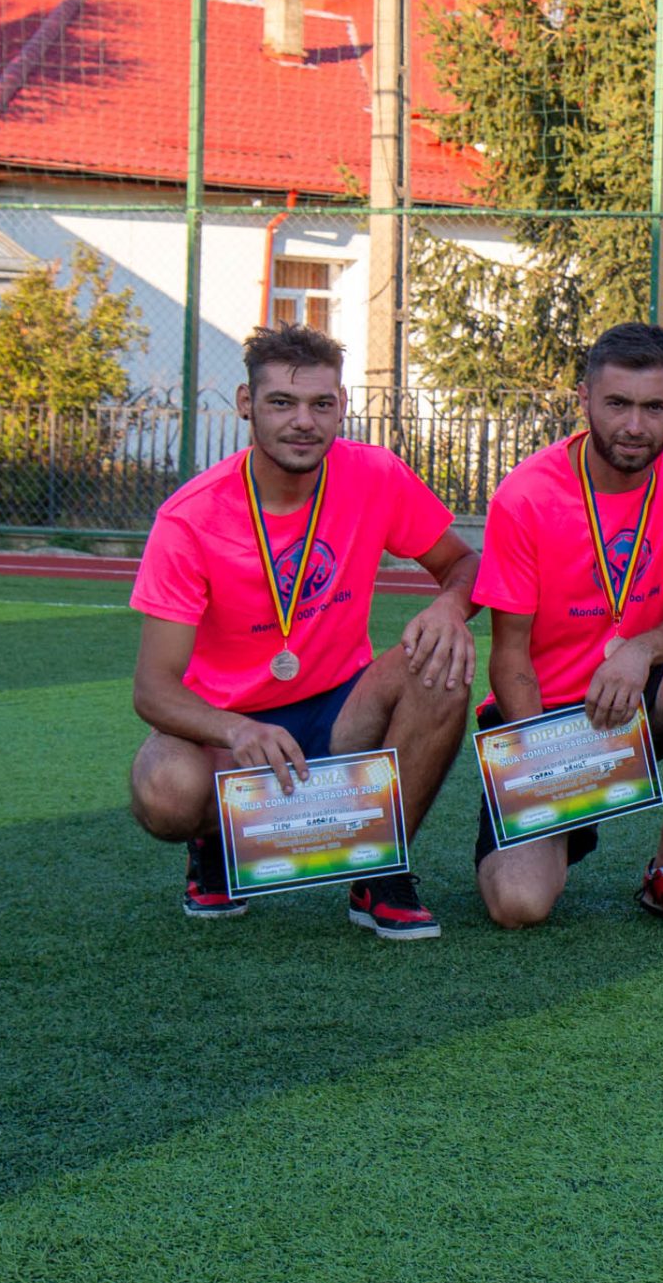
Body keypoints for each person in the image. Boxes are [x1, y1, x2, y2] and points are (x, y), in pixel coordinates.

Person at [128, 323, 478, 940]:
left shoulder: (375, 474)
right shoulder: (190, 519)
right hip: (230, 725)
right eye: (282, 402)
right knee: (165, 791)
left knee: (441, 668)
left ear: (341, 405)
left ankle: (380, 868)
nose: (303, 422)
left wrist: (450, 607)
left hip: (342, 709)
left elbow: (464, 563)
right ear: (246, 403)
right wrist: (237, 730)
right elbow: (154, 690)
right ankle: (214, 843)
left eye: (320, 404)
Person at [471, 323, 663, 933]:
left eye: (655, 408)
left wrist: (640, 651)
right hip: (545, 714)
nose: (634, 426)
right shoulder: (525, 494)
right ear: (584, 399)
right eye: (617, 404)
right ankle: (554, 826)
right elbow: (509, 654)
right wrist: (546, 762)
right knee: (518, 905)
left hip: (639, 697)